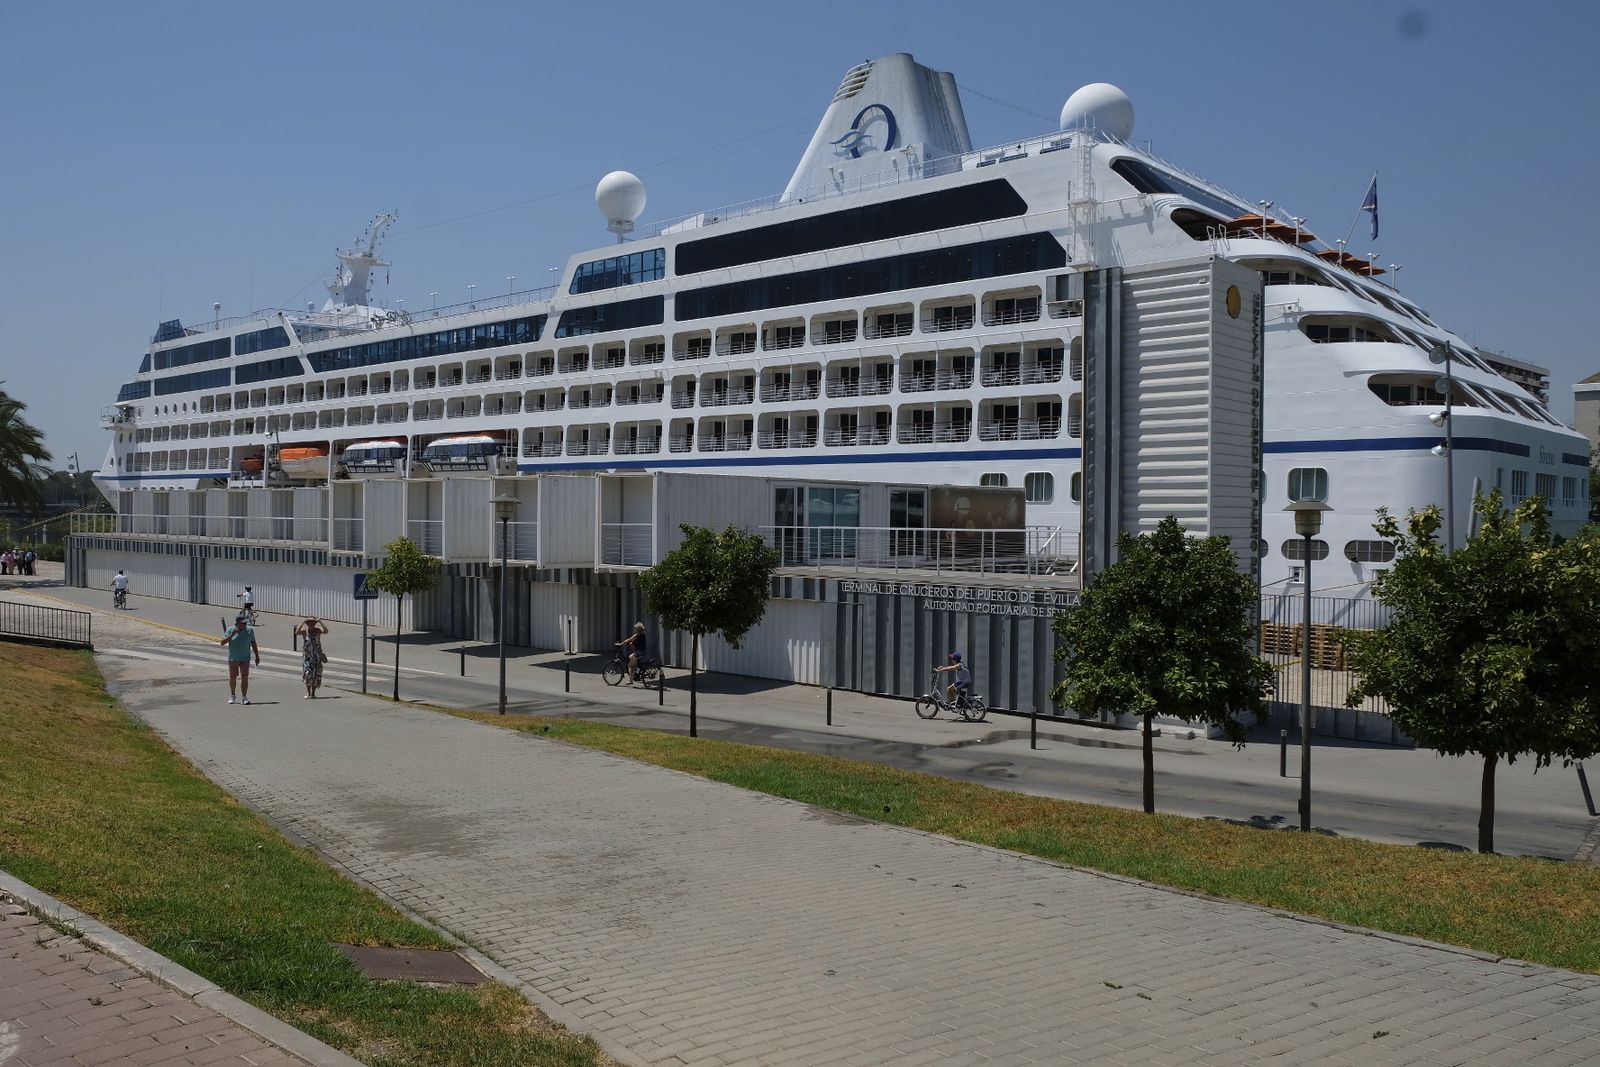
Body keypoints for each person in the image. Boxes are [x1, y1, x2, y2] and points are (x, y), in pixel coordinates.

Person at [219, 614, 261, 705]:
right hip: (233, 658)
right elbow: (222, 642)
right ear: (237, 623)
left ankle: (244, 697)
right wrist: (231, 635)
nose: (245, 624)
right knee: (233, 678)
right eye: (243, 623)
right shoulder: (230, 629)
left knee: (245, 677)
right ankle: (232, 695)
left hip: (245, 658)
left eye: (246, 623)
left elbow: (253, 643)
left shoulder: (249, 630)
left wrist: (257, 656)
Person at [295, 616, 329, 699]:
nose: (311, 624)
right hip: (307, 656)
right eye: (309, 622)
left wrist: (320, 622)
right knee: (307, 674)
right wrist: (303, 621)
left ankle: (313, 693)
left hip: (317, 656)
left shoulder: (317, 630)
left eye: (313, 622)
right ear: (307, 623)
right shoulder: (304, 631)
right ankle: (308, 692)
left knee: (316, 674)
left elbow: (326, 631)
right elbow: (296, 632)